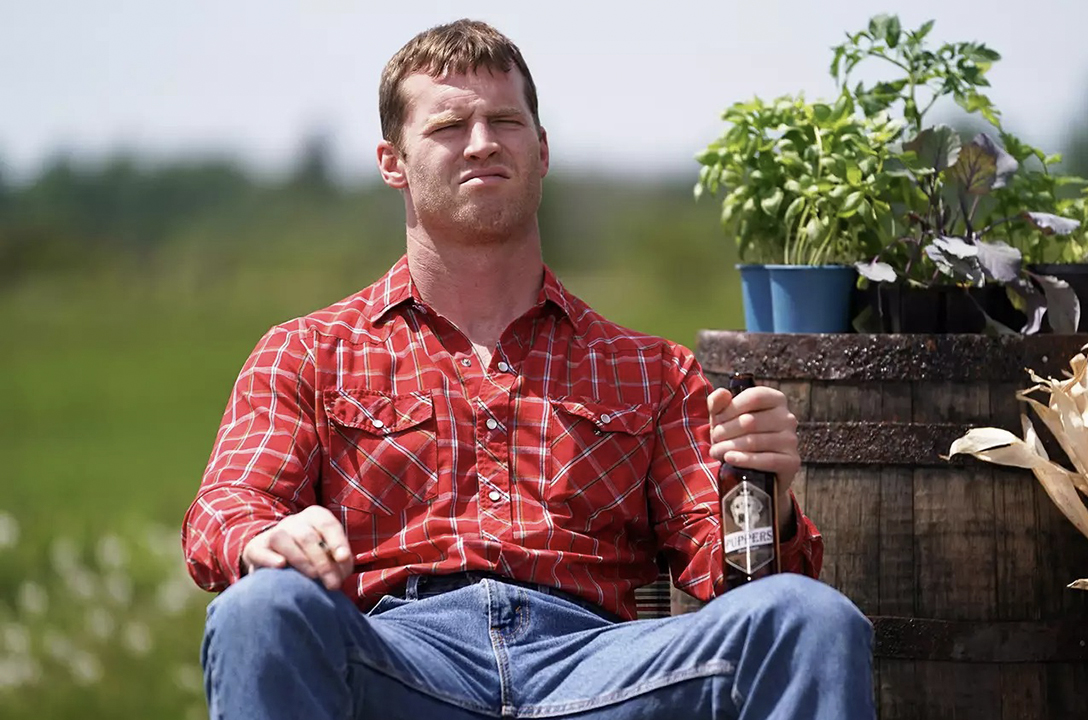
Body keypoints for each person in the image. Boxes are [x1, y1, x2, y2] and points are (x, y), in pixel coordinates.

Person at [182, 18, 874, 720]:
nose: (482, 142)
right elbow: (224, 508)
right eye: (449, 125)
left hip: (603, 668)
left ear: (540, 151)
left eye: (505, 121)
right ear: (393, 162)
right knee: (260, 608)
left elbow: (735, 579)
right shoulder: (308, 352)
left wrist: (769, 499)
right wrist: (262, 539)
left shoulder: (652, 370)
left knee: (806, 616)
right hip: (394, 661)